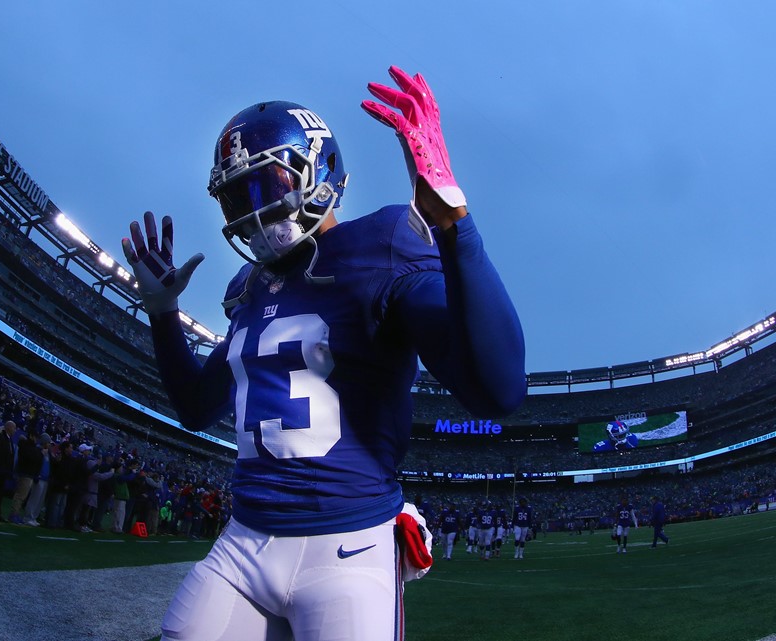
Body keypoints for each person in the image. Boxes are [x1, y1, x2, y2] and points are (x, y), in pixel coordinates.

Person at [121, 65, 526, 640]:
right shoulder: (248, 287)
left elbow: (500, 388)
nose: (251, 210)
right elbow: (194, 407)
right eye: (236, 194)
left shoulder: (380, 245)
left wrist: (454, 225)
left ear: (319, 172)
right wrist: (162, 313)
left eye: (266, 186)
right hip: (242, 543)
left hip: (349, 546)